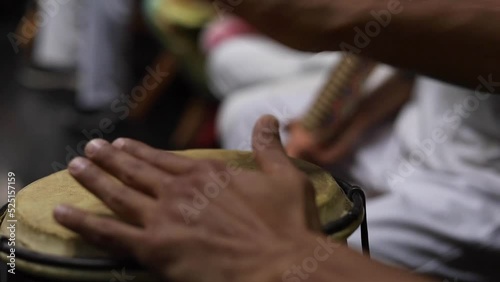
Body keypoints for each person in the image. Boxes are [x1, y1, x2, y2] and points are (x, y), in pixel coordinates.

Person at [53, 0, 500, 281]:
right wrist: (333, 133)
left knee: (343, 237)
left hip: (473, 188)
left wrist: (281, 259)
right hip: (410, 133)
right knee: (245, 112)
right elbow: (415, 62)